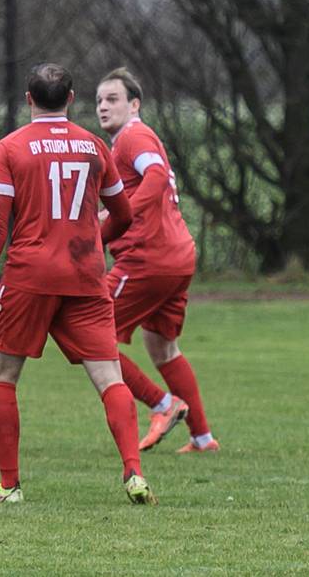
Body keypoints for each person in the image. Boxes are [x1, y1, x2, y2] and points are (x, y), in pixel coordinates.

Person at [0, 63, 158, 506]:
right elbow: (124, 214)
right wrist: (90, 240)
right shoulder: (92, 146)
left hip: (29, 277)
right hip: (86, 277)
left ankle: (9, 484)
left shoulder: (10, 147)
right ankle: (133, 471)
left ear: (28, 99)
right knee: (109, 377)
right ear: (71, 99)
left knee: (3, 377)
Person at [96, 67, 219, 454]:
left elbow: (156, 175)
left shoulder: (134, 135)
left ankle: (163, 405)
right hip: (177, 256)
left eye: (112, 99)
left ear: (135, 104)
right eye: (99, 100)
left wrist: (119, 218)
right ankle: (202, 438)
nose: (103, 106)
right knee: (162, 346)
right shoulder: (123, 142)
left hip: (147, 259)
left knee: (93, 336)